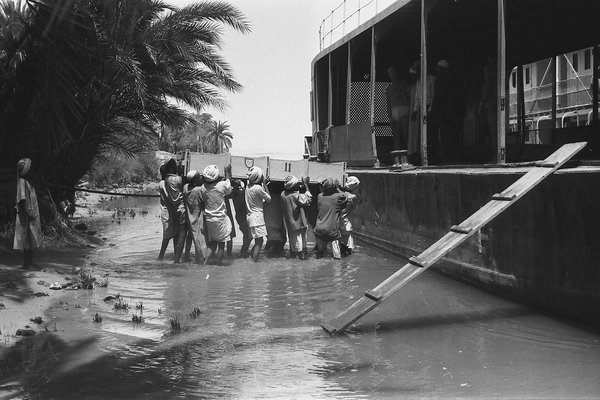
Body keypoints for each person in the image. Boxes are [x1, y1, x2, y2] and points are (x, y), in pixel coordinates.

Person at [429, 59, 466, 164]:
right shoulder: (457, 79)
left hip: (445, 113)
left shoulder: (440, 80)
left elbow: (438, 97)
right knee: (455, 136)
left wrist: (433, 112)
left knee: (447, 136)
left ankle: (449, 158)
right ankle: (455, 157)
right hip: (457, 113)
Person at [199, 164, 232, 266]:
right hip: (220, 219)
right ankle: (218, 265)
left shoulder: (203, 188)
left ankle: (205, 263)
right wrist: (227, 171)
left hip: (209, 219)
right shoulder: (222, 185)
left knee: (212, 244)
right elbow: (228, 187)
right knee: (221, 245)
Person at [14, 158, 42, 269]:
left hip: (30, 215)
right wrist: (28, 213)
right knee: (26, 239)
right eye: (30, 169)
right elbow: (22, 200)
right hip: (26, 216)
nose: (33, 171)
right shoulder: (22, 182)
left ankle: (29, 262)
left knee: (30, 239)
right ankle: (27, 263)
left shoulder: (28, 182)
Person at [408, 59, 436, 166]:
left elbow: (434, 95)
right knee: (421, 134)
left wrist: (430, 109)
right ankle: (421, 156)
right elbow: (417, 98)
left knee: (431, 133)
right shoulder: (419, 82)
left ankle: (432, 157)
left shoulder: (432, 79)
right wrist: (415, 110)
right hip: (421, 109)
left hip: (430, 107)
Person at [159, 158, 186, 263]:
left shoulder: (165, 181)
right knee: (167, 235)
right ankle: (163, 256)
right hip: (168, 211)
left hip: (170, 210)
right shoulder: (166, 182)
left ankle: (171, 256)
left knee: (173, 234)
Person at [314, 178, 347, 259]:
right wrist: (338, 188)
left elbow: (323, 192)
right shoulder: (338, 197)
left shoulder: (320, 196)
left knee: (319, 254)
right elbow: (345, 197)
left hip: (319, 229)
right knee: (336, 257)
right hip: (331, 231)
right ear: (334, 187)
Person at [281, 175, 312, 260]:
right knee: (301, 243)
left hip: (289, 223)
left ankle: (294, 258)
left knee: (293, 242)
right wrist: (306, 185)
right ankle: (302, 259)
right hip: (299, 223)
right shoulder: (296, 196)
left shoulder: (283, 194)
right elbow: (309, 199)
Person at [245, 166, 271, 262]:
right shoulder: (258, 188)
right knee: (259, 241)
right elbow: (269, 199)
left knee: (257, 241)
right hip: (257, 217)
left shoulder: (248, 186)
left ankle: (252, 259)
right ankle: (254, 262)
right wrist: (265, 184)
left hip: (250, 217)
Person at [386, 66, 411, 165]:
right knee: (396, 136)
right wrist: (389, 115)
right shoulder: (389, 87)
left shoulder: (404, 84)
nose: (391, 74)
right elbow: (388, 103)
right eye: (389, 72)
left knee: (406, 133)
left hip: (404, 109)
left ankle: (409, 156)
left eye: (393, 71)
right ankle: (397, 158)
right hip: (394, 110)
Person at [182, 170, 206, 264]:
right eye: (199, 177)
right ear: (195, 180)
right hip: (197, 217)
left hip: (189, 216)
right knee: (198, 239)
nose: (201, 178)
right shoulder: (199, 190)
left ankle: (186, 255)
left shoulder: (185, 187)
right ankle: (200, 259)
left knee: (190, 237)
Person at [230, 179, 252, 257]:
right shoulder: (235, 191)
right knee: (248, 235)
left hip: (242, 215)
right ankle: (243, 251)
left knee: (247, 234)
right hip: (241, 216)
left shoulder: (238, 191)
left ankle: (244, 251)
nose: (238, 180)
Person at [339, 176, 360, 256]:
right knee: (348, 247)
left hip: (337, 222)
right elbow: (354, 208)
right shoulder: (352, 197)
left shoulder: (339, 194)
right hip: (346, 223)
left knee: (340, 244)